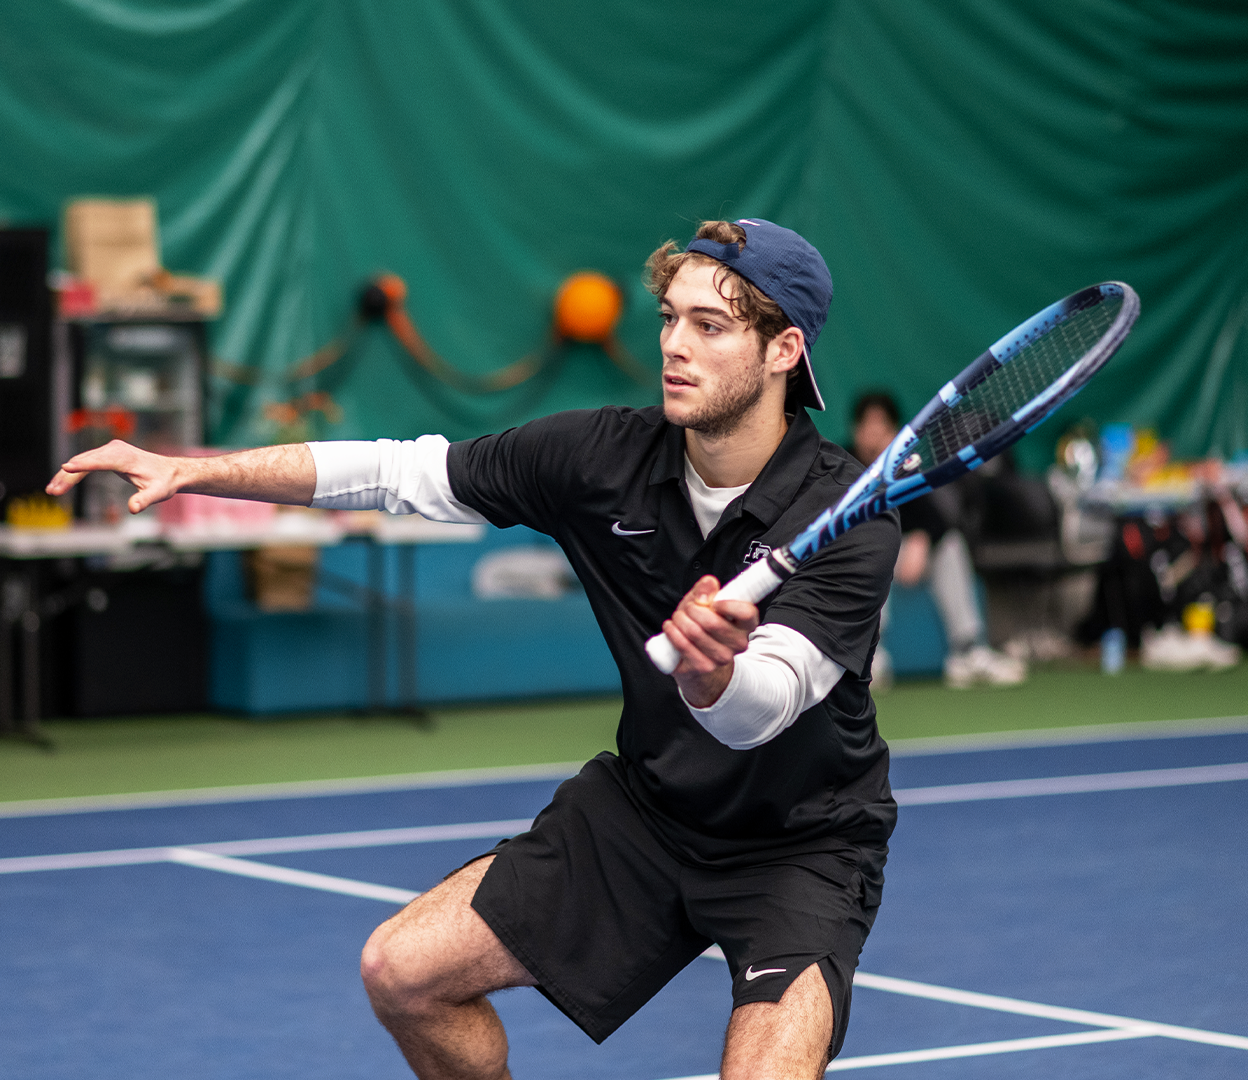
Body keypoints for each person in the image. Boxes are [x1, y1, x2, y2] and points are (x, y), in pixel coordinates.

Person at [50, 219, 898, 1079]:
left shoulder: (851, 519)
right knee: (403, 972)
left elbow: (765, 709)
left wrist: (714, 672)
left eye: (709, 327)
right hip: (649, 814)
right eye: (669, 318)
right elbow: (397, 473)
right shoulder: (598, 457)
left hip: (802, 844)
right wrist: (199, 469)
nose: (674, 345)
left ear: (784, 349)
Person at [850, 392, 1026, 689]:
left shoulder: (904, 470)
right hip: (860, 557)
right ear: (856, 431)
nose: (874, 434)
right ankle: (868, 657)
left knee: (951, 544)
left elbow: (933, 518)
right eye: (868, 426)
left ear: (893, 433)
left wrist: (921, 538)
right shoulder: (841, 465)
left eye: (882, 427)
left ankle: (967, 650)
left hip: (903, 557)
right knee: (872, 548)